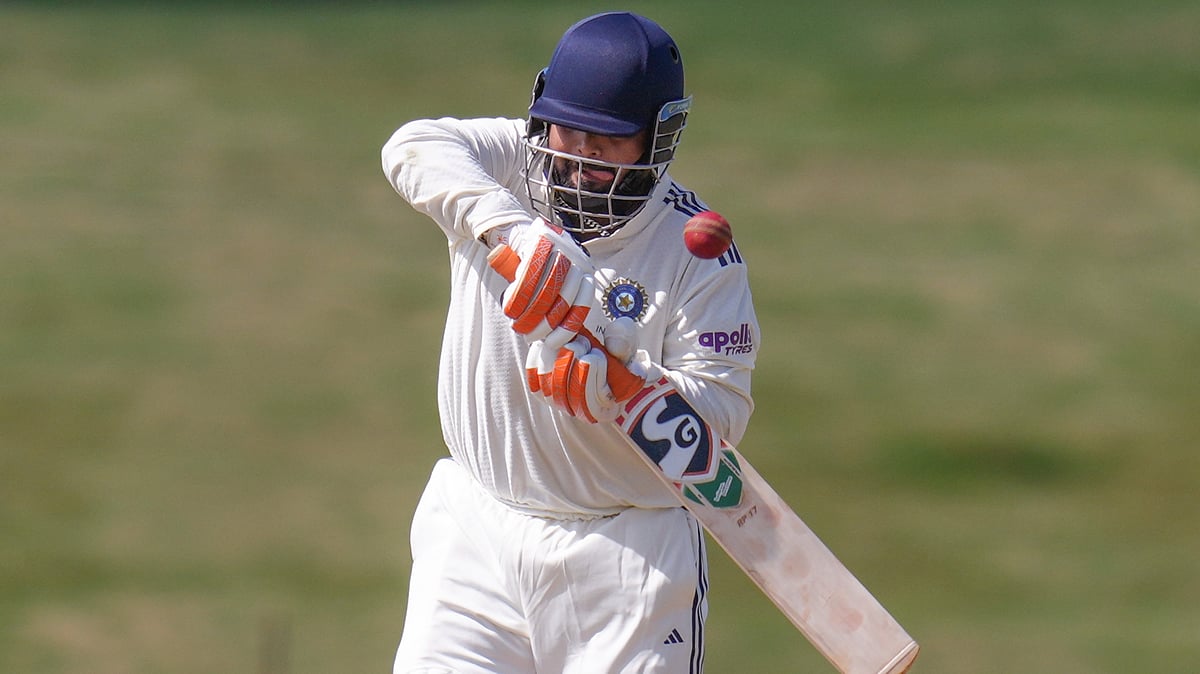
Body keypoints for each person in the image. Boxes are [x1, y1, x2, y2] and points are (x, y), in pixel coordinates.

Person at [381, 11, 759, 673]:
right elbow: (411, 147)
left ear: (656, 138)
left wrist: (623, 387)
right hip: (476, 528)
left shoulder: (698, 255)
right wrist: (512, 229)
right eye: (569, 129)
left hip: (627, 559)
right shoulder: (508, 168)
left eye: (607, 140)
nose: (579, 155)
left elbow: (721, 421)